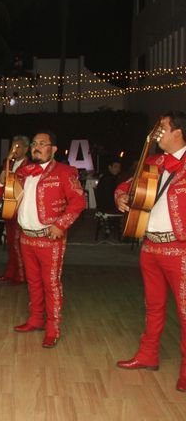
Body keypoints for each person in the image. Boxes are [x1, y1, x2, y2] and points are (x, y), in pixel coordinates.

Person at [114, 111, 186, 392]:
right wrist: (121, 196)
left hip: (180, 250)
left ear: (178, 132)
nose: (158, 134)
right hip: (150, 245)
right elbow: (125, 185)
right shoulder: (153, 161)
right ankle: (148, 355)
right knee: (153, 306)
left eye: (163, 129)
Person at [0, 131, 85, 347]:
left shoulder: (64, 172)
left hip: (49, 238)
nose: (36, 147)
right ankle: (35, 319)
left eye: (42, 144)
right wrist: (0, 182)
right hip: (26, 238)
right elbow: (3, 196)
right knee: (33, 282)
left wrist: (60, 224)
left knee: (51, 284)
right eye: (34, 143)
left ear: (53, 149)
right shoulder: (24, 172)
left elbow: (78, 202)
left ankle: (53, 328)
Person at [0, 135, 30, 284]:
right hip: (9, 208)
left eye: (18, 146)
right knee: (10, 243)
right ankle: (11, 272)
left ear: (27, 149)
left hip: (21, 209)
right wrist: (1, 179)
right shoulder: (9, 163)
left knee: (17, 244)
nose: (15, 150)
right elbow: (1, 187)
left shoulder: (30, 166)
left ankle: (21, 275)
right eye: (13, 147)